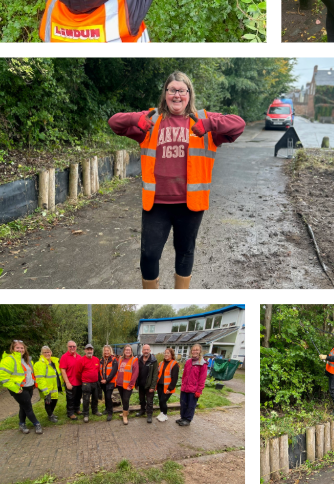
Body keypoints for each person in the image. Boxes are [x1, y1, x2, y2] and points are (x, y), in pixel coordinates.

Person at [108, 70, 246, 289]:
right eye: (172, 90)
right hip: (156, 204)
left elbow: (238, 124)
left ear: (189, 94)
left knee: (184, 252)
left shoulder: (203, 120)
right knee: (149, 255)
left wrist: (210, 126)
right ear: (165, 93)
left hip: (190, 204)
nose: (177, 95)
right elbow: (115, 122)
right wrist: (136, 119)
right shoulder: (151, 120)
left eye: (182, 91)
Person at [0, 340, 43, 434]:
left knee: (23, 406)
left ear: (24, 349)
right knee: (28, 407)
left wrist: (34, 383)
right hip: (19, 389)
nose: (20, 349)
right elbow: (2, 376)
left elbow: (31, 373)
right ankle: (36, 424)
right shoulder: (9, 360)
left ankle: (21, 424)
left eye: (21, 348)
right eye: (17, 347)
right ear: (13, 348)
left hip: (29, 387)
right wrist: (15, 388)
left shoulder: (27, 359)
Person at [178, 343, 209, 426]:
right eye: (193, 349)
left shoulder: (202, 364)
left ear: (200, 351)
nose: (195, 351)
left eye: (197, 350)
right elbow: (184, 375)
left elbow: (202, 378)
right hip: (185, 388)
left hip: (193, 389)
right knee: (183, 403)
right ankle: (183, 417)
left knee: (191, 405)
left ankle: (188, 419)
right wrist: (183, 383)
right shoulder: (188, 362)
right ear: (191, 351)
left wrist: (199, 390)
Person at [34, 345, 63, 424]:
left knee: (55, 400)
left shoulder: (54, 362)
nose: (47, 354)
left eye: (48, 352)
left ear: (51, 352)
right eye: (45, 352)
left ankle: (51, 413)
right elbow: (40, 378)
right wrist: (45, 390)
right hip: (46, 387)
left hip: (55, 386)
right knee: (48, 402)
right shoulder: (39, 364)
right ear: (41, 353)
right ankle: (50, 416)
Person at [60, 339, 84, 420]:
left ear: (76, 347)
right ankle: (70, 413)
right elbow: (63, 370)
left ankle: (77, 409)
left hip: (79, 382)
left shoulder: (79, 357)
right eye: (70, 346)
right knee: (70, 398)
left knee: (78, 397)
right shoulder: (64, 357)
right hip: (70, 382)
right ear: (67, 347)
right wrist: (67, 382)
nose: (72, 348)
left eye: (74, 346)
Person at [115, 345, 139, 424]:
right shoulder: (120, 359)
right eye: (126, 350)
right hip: (120, 384)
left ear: (131, 351)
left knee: (126, 399)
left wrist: (131, 385)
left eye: (129, 350)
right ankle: (125, 412)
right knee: (123, 399)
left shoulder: (134, 360)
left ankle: (125, 416)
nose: (128, 351)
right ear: (124, 351)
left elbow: (135, 374)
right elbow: (118, 370)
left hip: (128, 385)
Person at [156, 346, 180, 422]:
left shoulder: (174, 364)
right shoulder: (161, 363)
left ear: (171, 354)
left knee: (163, 400)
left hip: (168, 387)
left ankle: (165, 415)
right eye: (165, 353)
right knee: (160, 400)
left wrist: (170, 388)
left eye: (168, 353)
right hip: (160, 385)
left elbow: (175, 378)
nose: (166, 354)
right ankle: (162, 413)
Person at [79, 343, 102, 422]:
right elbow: (78, 372)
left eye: (91, 349)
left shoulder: (96, 359)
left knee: (95, 398)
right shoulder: (82, 360)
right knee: (86, 399)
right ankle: (86, 414)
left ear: (93, 350)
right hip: (86, 383)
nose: (89, 351)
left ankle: (95, 410)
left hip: (95, 383)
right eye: (88, 349)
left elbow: (98, 371)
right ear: (85, 350)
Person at [137, 342, 158, 424]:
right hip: (141, 385)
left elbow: (155, 374)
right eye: (144, 349)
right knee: (142, 400)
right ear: (142, 351)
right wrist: (136, 383)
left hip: (149, 386)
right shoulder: (139, 359)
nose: (146, 351)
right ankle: (142, 411)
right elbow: (136, 372)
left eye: (147, 349)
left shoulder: (153, 361)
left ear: (150, 350)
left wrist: (153, 386)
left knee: (149, 401)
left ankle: (149, 415)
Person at [99, 344, 119, 421]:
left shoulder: (114, 360)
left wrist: (106, 380)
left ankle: (110, 412)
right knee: (106, 396)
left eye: (107, 350)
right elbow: (99, 371)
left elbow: (113, 372)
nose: (106, 352)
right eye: (105, 350)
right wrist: (101, 379)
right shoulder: (101, 360)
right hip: (103, 382)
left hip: (110, 382)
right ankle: (107, 409)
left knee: (108, 396)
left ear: (110, 351)